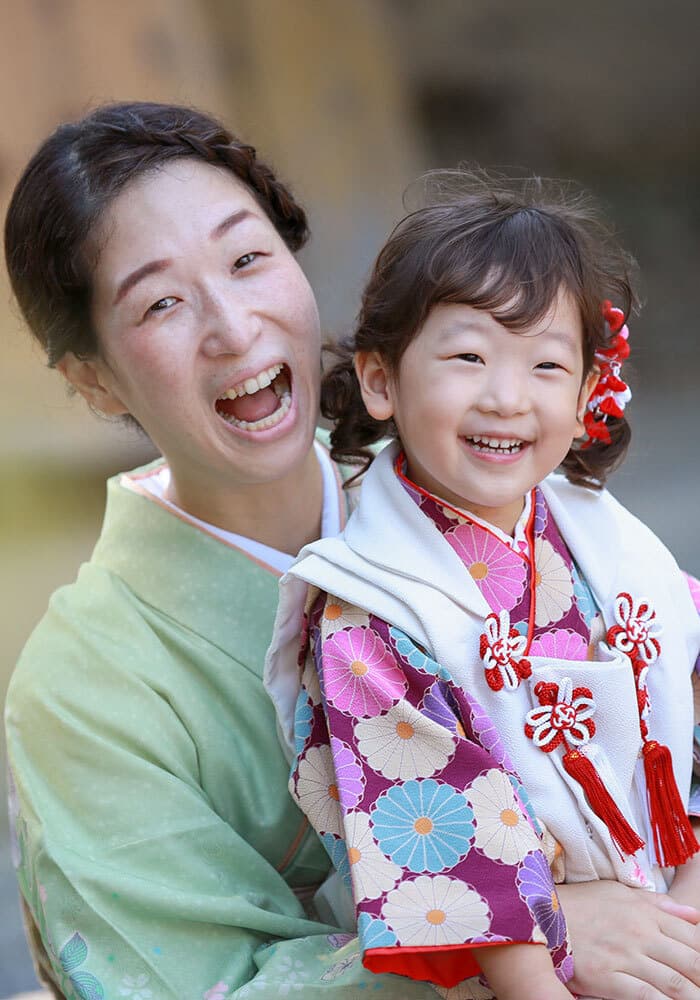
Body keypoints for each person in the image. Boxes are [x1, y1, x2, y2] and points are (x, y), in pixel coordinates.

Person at [3, 101, 440, 999]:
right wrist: (526, 930)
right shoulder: (83, 690)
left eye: (248, 260)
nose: (235, 330)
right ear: (90, 377)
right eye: (161, 302)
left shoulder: (461, 486)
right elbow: (198, 984)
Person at [265, 172, 700, 999]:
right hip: (513, 973)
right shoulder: (369, 606)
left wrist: (688, 913)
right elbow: (443, 840)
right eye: (468, 357)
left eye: (546, 364)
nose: (506, 397)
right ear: (381, 380)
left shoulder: (606, 539)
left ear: (585, 396)